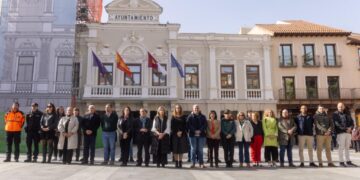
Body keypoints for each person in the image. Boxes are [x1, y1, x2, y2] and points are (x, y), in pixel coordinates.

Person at [333, 102, 357, 167]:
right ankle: (341, 162)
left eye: (341, 106)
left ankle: (348, 161)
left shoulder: (347, 113)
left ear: (344, 107)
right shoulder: (335, 114)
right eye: (339, 107)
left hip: (348, 133)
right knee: (341, 147)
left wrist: (350, 128)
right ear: (337, 107)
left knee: (347, 147)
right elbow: (336, 124)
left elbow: (352, 122)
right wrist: (345, 129)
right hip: (340, 133)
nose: (340, 108)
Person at [187, 104, 207, 168]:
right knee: (193, 149)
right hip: (192, 135)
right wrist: (194, 131)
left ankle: (201, 163)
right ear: (193, 109)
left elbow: (205, 125)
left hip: (201, 135)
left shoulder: (203, 116)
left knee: (200, 149)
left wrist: (200, 131)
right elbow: (188, 125)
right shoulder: (190, 116)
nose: (196, 109)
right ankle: (193, 163)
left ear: (199, 109)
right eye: (195, 108)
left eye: (197, 108)